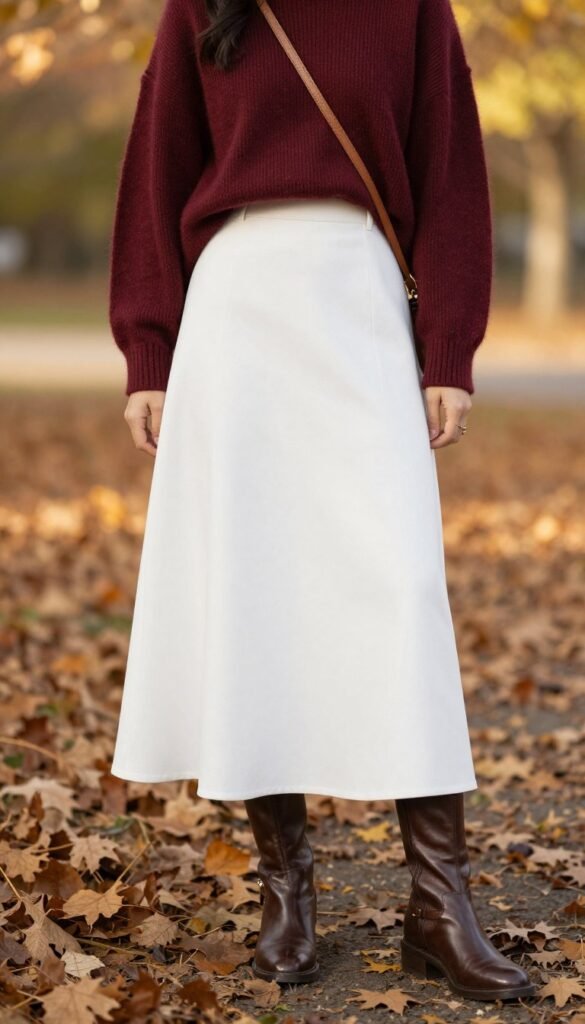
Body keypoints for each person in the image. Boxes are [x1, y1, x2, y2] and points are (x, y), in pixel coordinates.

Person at [108, 0, 535, 1000]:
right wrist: (148, 350)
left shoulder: (413, 8)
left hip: (362, 301)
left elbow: (451, 171)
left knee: (399, 591)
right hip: (236, 311)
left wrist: (451, 349)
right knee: (254, 593)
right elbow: (156, 169)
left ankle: (438, 903)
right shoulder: (204, 6)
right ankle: (285, 893)